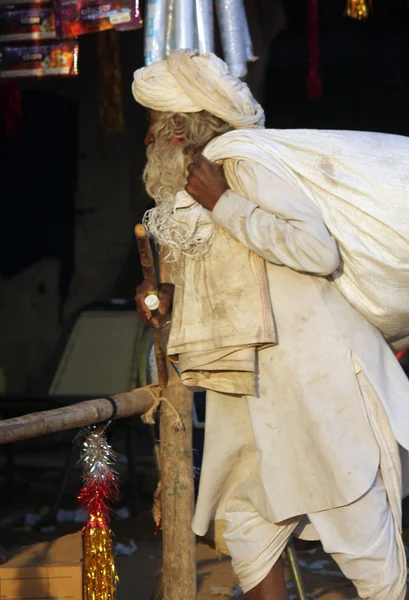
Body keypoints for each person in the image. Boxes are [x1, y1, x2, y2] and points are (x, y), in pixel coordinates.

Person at [132, 51, 409, 600]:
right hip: (244, 380)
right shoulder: (185, 197)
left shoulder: (242, 166)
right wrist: (165, 299)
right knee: (245, 523)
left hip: (313, 373)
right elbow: (225, 278)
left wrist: (225, 203)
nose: (145, 140)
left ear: (179, 126)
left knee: (355, 525)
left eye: (152, 125)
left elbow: (314, 251)